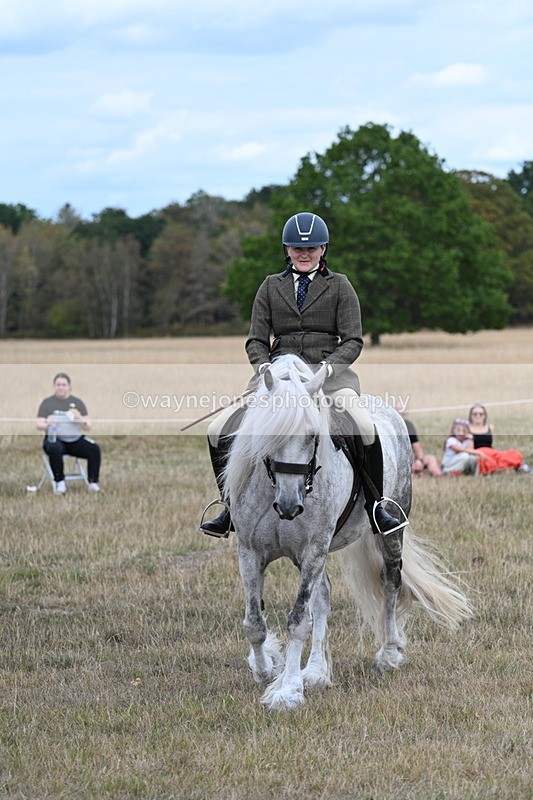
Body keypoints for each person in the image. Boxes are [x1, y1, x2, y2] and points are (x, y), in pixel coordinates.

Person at [199, 211, 409, 538]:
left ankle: (375, 506)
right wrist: (264, 367)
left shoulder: (340, 286)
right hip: (277, 379)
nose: (304, 253)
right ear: (287, 249)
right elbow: (256, 338)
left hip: (329, 377)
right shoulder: (270, 286)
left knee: (365, 427)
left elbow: (353, 339)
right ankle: (228, 508)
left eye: (311, 248)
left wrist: (329, 368)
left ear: (324, 249)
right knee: (216, 429)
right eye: (297, 248)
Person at [36, 373, 101, 494]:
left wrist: (79, 418)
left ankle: (93, 483)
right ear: (54, 386)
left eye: (63, 385)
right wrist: (47, 423)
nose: (61, 387)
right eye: (58, 385)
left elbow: (88, 426)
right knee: (54, 448)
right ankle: (59, 481)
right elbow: (38, 424)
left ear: (69, 387)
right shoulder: (47, 403)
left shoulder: (77, 403)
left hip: (75, 440)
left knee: (94, 448)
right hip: (55, 440)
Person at [467, 403, 529, 474]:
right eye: (475, 414)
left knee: (514, 454)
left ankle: (520, 466)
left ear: (484, 416)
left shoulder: (489, 428)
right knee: (488, 462)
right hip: (479, 453)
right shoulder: (467, 429)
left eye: (481, 414)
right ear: (471, 416)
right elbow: (469, 450)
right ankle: (504, 468)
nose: (478, 416)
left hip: (491, 451)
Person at [397, 406, 442, 477]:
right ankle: (418, 474)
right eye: (399, 412)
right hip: (399, 463)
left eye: (404, 412)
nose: (402, 415)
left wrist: (420, 460)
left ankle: (438, 477)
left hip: (411, 460)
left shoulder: (408, 425)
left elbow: (417, 447)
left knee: (431, 458)